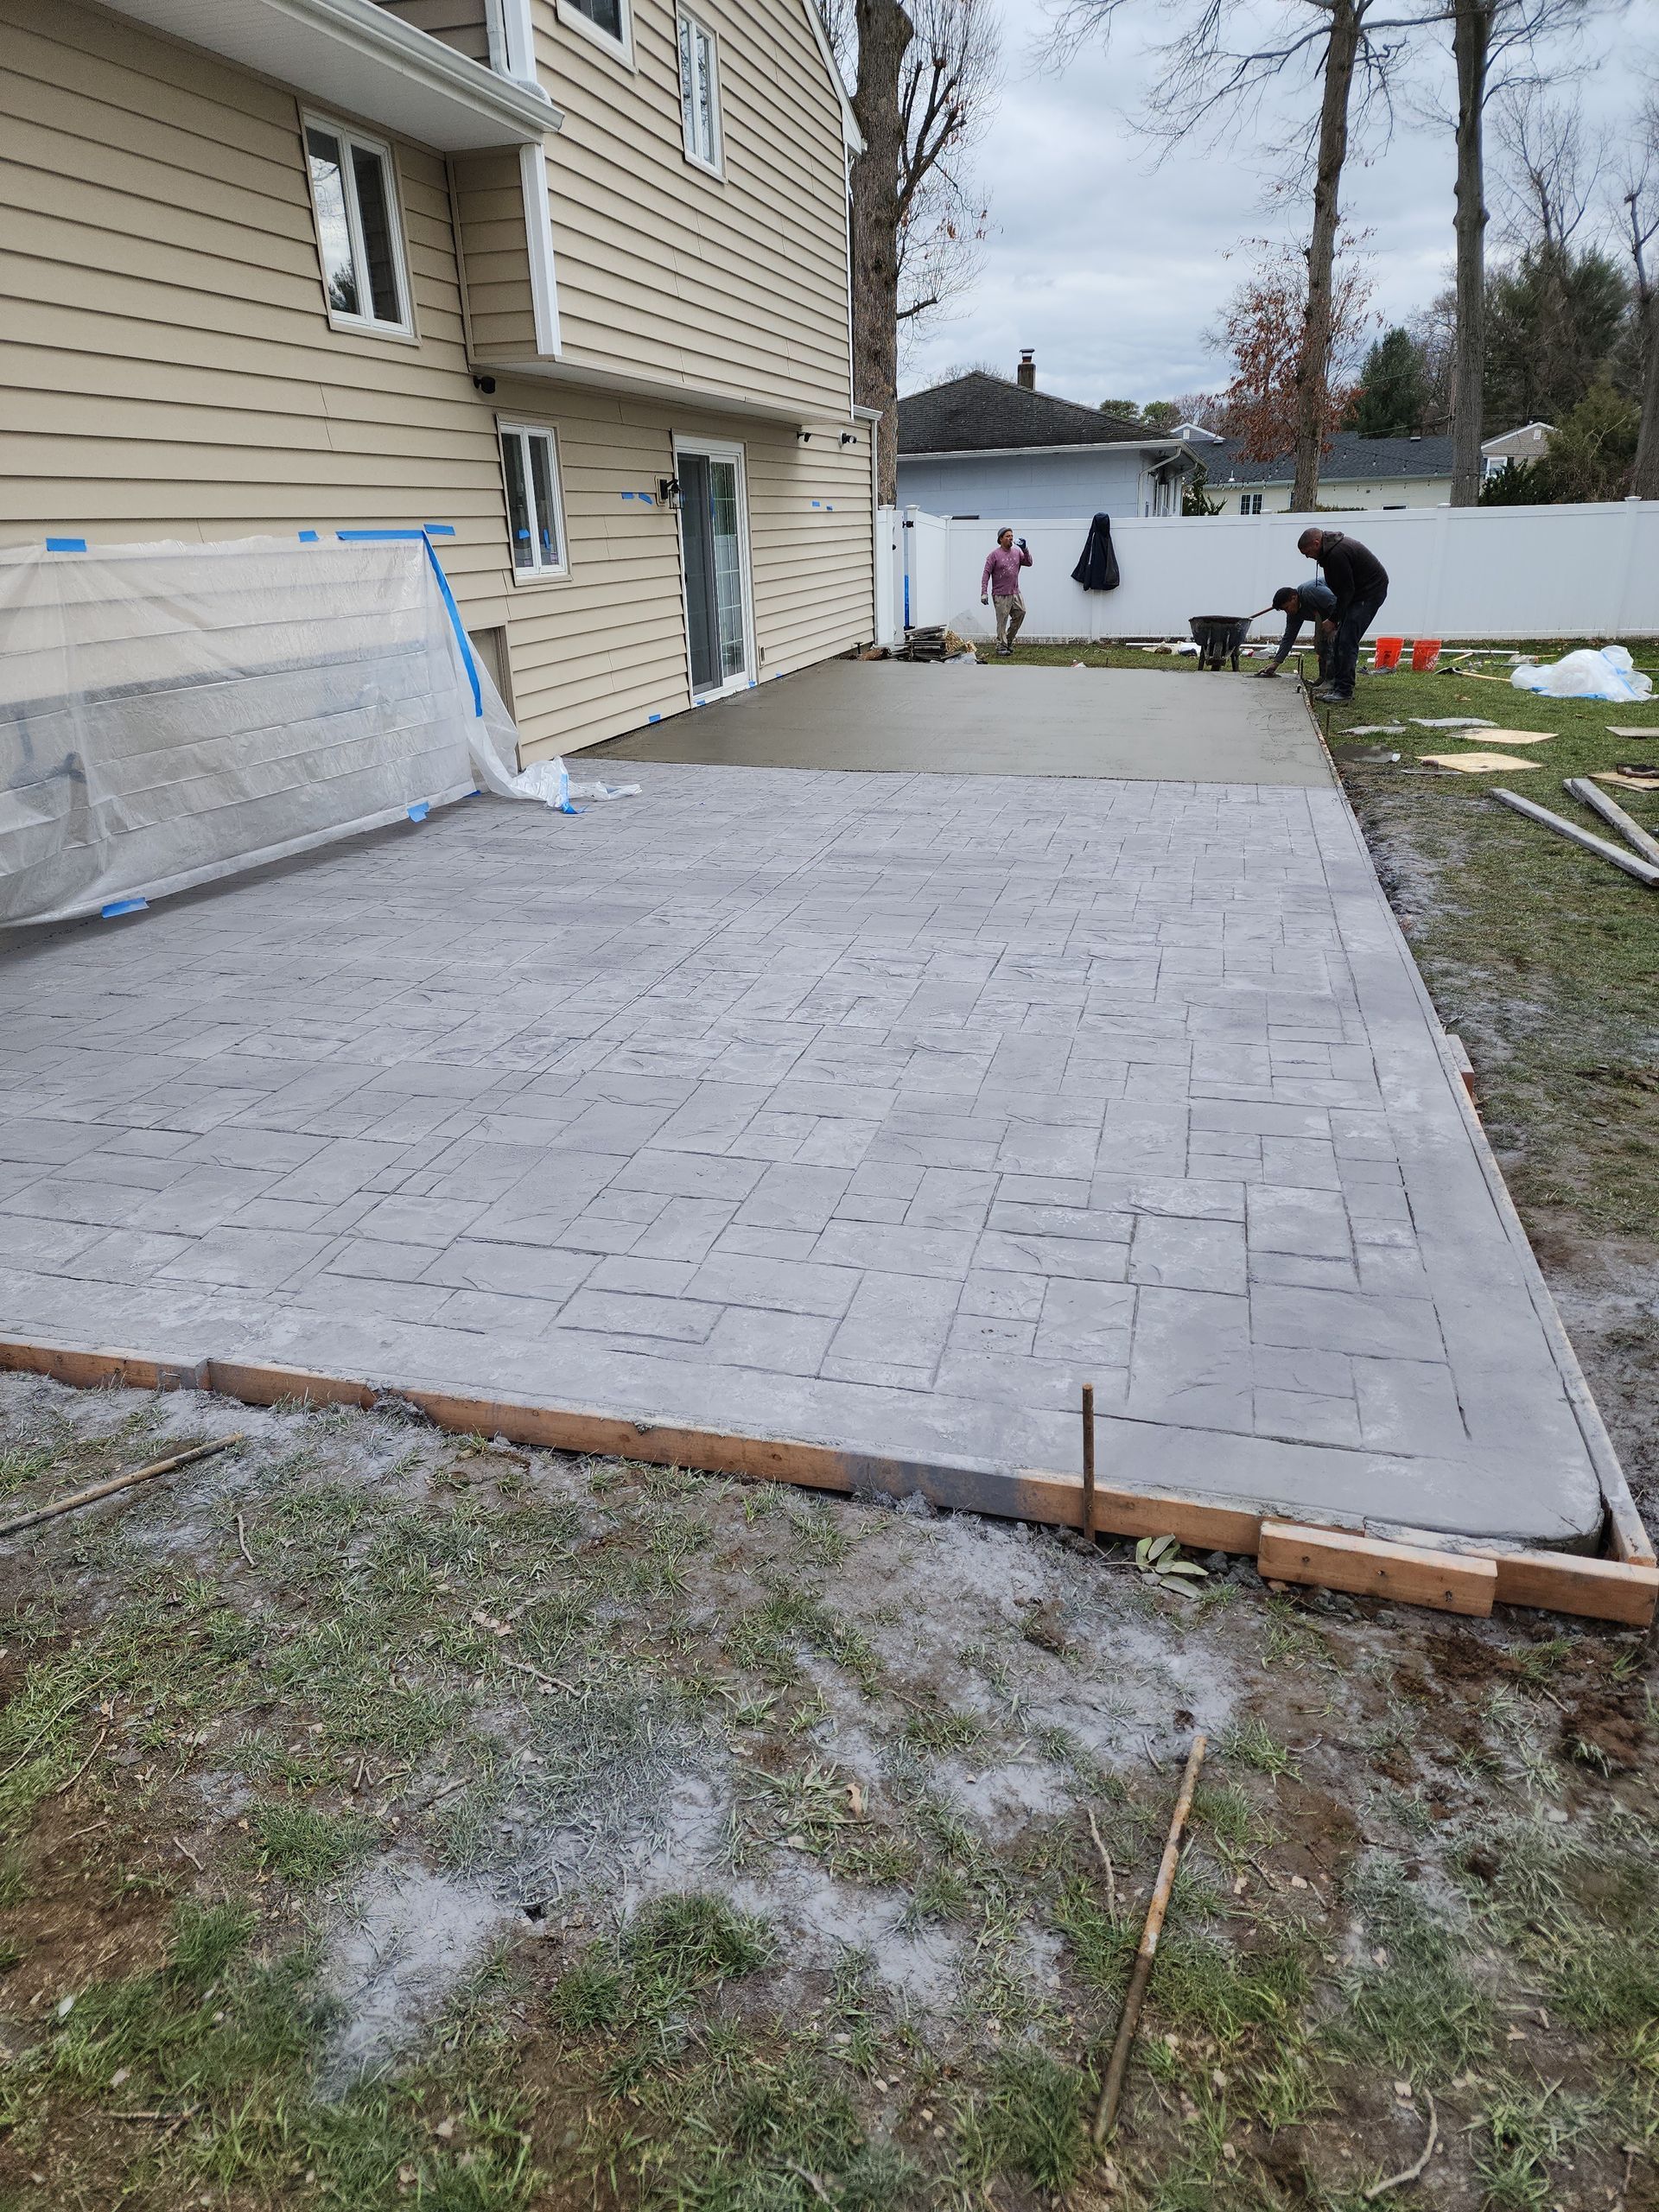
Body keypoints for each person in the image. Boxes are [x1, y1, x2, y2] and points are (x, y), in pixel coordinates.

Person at [1296, 527, 1389, 703]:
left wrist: (1333, 620)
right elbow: (1342, 591)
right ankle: (1338, 687)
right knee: (1339, 640)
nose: (1307, 557)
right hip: (1357, 594)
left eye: (1307, 552)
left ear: (1316, 543)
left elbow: (1346, 591)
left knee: (1346, 641)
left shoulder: (1337, 553)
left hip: (1369, 594)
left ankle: (1344, 692)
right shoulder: (1330, 551)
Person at [1251, 578, 1338, 683]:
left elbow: (1337, 603)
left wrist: (1334, 622)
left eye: (1287, 608)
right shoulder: (1294, 613)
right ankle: (1323, 679)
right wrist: (1276, 663)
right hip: (1330, 614)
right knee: (1321, 642)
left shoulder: (1311, 591)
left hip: (1350, 605)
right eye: (1284, 610)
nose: (1287, 612)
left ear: (1294, 598)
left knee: (1335, 642)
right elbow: (1289, 637)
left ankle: (1336, 684)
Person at [980, 527, 1032, 656]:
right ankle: (1001, 646)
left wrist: (1025, 549)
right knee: (1002, 620)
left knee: (1021, 612)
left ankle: (1008, 641)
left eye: (1012, 536)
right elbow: (986, 573)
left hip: (1015, 591)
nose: (1011, 538)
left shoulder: (1017, 552)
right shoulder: (994, 555)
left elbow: (1029, 563)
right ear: (1000, 539)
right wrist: (984, 592)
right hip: (1000, 593)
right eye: (1008, 536)